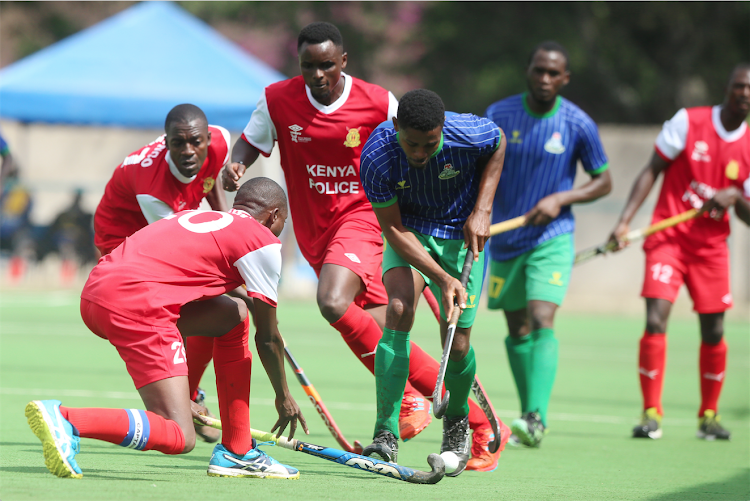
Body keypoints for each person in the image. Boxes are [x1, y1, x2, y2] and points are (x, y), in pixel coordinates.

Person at [223, 22, 503, 471]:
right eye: (308, 66)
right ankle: (480, 421)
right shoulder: (277, 99)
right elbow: (250, 142)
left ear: (344, 62)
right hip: (329, 228)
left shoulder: (379, 103)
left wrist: (480, 210)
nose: (317, 75)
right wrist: (235, 165)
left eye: (327, 65)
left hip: (365, 219)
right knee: (391, 323)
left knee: (333, 301)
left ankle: (411, 411)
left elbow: (472, 143)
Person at [26, 177, 308, 479]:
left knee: (233, 315)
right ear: (274, 215)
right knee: (179, 435)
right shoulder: (262, 240)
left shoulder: (202, 218)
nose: (280, 230)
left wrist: (180, 394)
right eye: (283, 222)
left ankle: (237, 450)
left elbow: (201, 294)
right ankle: (68, 420)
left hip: (96, 293)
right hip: (138, 305)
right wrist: (284, 396)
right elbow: (268, 338)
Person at [359, 89, 507, 476]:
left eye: (430, 143)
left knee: (456, 342)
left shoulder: (467, 133)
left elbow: (499, 141)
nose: (421, 152)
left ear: (443, 129)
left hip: (462, 236)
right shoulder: (376, 155)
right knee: (398, 308)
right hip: (409, 233)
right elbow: (391, 228)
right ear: (395, 128)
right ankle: (384, 434)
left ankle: (456, 423)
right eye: (412, 143)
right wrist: (441, 278)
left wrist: (483, 209)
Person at [609, 64, 750, 441]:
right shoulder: (689, 121)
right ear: (728, 87)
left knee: (714, 329)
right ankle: (651, 413)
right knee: (656, 318)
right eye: (740, 86)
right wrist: (625, 221)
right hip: (668, 238)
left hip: (711, 250)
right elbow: (651, 169)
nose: (745, 93)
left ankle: (709, 416)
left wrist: (735, 196)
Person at [484, 41, 612, 447]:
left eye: (553, 73)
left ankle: (536, 416)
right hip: (504, 238)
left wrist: (562, 198)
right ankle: (529, 415)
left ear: (565, 79)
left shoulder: (578, 124)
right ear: (528, 70)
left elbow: (603, 180)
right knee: (517, 326)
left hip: (551, 238)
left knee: (542, 318)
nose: (544, 79)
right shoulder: (498, 115)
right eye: (538, 70)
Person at [94, 103, 233, 443]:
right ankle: (178, 396)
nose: (188, 152)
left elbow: (209, 177)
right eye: (177, 144)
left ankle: (190, 392)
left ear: (208, 139)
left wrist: (225, 220)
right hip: (124, 237)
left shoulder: (221, 142)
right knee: (175, 309)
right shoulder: (152, 189)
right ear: (166, 141)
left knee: (214, 307)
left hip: (164, 224)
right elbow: (178, 248)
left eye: (195, 143)